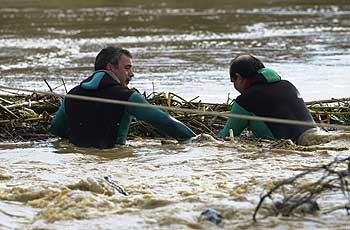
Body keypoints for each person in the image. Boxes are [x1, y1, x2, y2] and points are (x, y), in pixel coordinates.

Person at [50, 46, 196, 148]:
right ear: (110, 68)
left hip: (80, 164)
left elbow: (56, 129)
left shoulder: (72, 95)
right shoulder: (128, 96)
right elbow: (166, 122)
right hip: (115, 163)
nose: (131, 73)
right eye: (127, 68)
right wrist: (198, 141)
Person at [218, 54, 316, 144]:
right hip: (315, 136)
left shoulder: (245, 100)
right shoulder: (288, 85)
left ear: (238, 77)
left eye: (233, 81)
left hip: (291, 146)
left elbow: (225, 137)